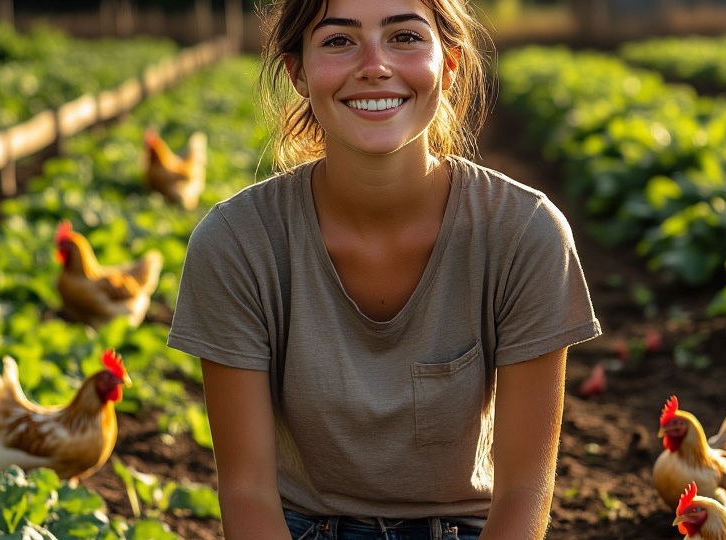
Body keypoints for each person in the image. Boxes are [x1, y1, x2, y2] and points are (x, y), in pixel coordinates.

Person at [167, 0, 601, 538]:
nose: (374, 64)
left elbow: (523, 492)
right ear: (297, 72)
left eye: (405, 37)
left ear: (450, 64)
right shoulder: (238, 243)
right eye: (338, 40)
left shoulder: (523, 233)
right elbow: (247, 491)